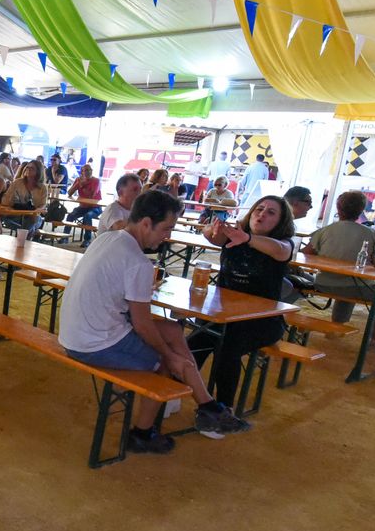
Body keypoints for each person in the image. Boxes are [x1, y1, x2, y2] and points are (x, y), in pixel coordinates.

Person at [59, 189, 250, 451]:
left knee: (172, 330)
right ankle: (143, 434)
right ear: (146, 223)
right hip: (93, 344)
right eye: (166, 228)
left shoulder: (108, 238)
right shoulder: (138, 262)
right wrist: (168, 356)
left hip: (74, 332)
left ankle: (207, 405)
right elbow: (142, 324)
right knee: (165, 362)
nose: (168, 236)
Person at [187, 195, 297, 412]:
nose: (262, 214)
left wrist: (246, 238)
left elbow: (281, 251)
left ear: (280, 221)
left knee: (228, 346)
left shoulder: (283, 244)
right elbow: (210, 234)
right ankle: (174, 394)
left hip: (263, 321)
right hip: (224, 315)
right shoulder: (234, 236)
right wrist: (213, 230)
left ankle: (223, 409)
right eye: (259, 209)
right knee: (193, 342)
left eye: (271, 212)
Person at [306, 191, 375, 323]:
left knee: (349, 285)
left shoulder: (325, 230)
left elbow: (305, 254)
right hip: (357, 287)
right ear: (361, 210)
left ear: (338, 208)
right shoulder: (371, 234)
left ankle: (337, 324)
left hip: (324, 283)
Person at [1, 160, 47, 234]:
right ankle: (26, 234)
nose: (28, 169)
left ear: (38, 171)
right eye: (27, 167)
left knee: (32, 221)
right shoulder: (17, 182)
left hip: (34, 216)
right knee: (6, 220)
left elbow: (43, 204)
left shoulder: (42, 188)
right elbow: (5, 200)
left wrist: (37, 210)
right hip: (17, 214)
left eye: (32, 168)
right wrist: (11, 199)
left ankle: (23, 235)